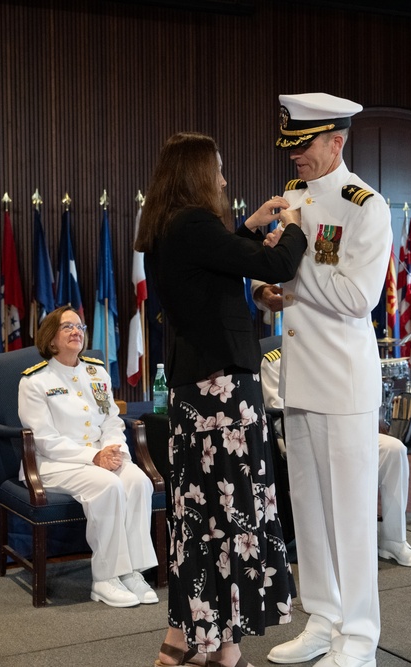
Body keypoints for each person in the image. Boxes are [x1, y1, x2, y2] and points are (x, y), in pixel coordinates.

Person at [136, 132, 306, 667]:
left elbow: (214, 272)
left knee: (204, 519)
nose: (226, 180)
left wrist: (248, 228)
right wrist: (297, 225)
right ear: (198, 175)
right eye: (220, 170)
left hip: (196, 392)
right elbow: (275, 267)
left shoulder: (168, 227)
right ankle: (217, 648)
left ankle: (202, 644)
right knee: (231, 518)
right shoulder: (193, 224)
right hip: (225, 394)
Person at [263, 92, 392, 667]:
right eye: (290, 146)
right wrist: (272, 291)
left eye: (305, 145)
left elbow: (357, 296)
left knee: (352, 516)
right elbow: (297, 289)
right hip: (299, 377)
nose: (295, 158)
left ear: (336, 141)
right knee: (309, 509)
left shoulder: (365, 205)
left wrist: (293, 265)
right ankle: (323, 617)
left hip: (343, 383)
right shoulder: (292, 195)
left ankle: (360, 637)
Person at [18, 306, 158, 608]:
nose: (76, 331)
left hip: (102, 457)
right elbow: (43, 440)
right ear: (51, 339)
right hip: (54, 464)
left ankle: (132, 571)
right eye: (67, 327)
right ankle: (105, 578)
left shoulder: (97, 372)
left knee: (138, 482)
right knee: (107, 486)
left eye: (80, 326)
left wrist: (114, 450)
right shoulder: (35, 381)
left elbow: (111, 420)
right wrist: (95, 456)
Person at [258, 344, 411, 568]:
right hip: (306, 441)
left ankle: (393, 540)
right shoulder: (276, 360)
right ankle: (332, 543)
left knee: (393, 449)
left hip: (350, 433)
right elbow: (280, 417)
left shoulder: (342, 348)